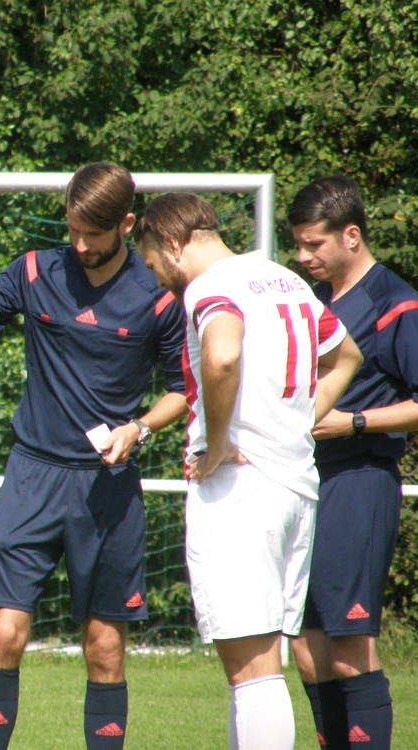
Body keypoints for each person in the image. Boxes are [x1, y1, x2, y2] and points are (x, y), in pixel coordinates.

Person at [0, 162, 189, 750]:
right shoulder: (35, 271)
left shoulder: (158, 294)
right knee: (4, 634)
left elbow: (181, 389)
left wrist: (138, 429)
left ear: (127, 225)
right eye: (73, 230)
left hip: (108, 486)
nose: (81, 244)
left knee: (105, 647)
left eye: (95, 233)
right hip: (32, 477)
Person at [134, 192, 362, 750]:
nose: (156, 278)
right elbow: (347, 356)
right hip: (292, 485)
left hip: (242, 488)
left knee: (253, 673)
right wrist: (297, 418)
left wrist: (215, 445)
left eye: (152, 263)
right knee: (260, 669)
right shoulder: (284, 279)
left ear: (172, 244)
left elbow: (222, 356)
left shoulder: (210, 286)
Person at [286, 176, 418, 750]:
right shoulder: (307, 302)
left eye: (313, 244)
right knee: (306, 648)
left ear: (352, 236)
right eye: (298, 244)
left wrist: (356, 421)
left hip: (359, 478)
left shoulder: (397, 303)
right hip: (301, 482)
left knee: (348, 648)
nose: (303, 256)